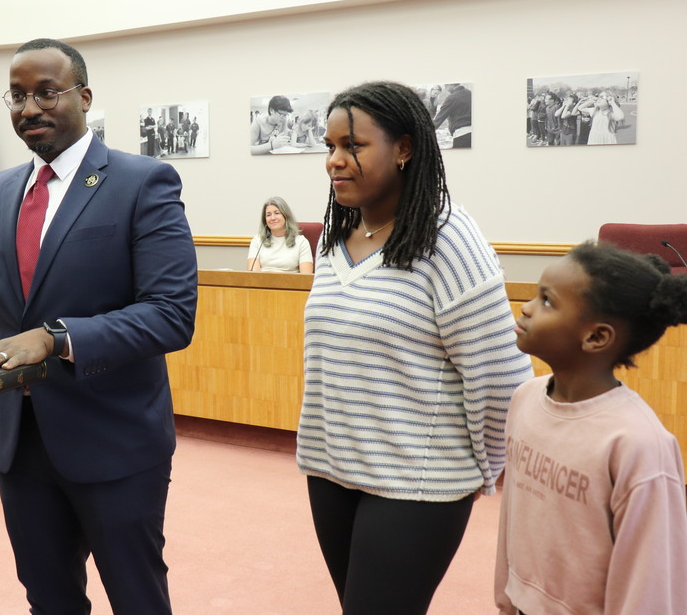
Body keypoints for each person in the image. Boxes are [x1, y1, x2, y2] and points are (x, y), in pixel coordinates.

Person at [0, 37, 198, 614]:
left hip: (114, 440)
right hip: (21, 444)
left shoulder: (142, 182)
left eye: (46, 92)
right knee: (48, 599)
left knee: (137, 597)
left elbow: (170, 314)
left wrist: (57, 338)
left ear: (84, 96)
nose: (28, 108)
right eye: (16, 97)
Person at [297, 81, 533, 614]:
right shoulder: (335, 235)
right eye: (330, 147)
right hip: (332, 472)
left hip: (416, 482)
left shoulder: (447, 235)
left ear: (404, 149)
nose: (335, 160)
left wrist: (481, 467)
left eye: (353, 146)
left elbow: (499, 372)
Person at [496, 241, 687, 614]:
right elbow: (513, 523)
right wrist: (506, 600)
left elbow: (650, 579)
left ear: (597, 336)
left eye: (547, 301)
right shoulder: (525, 399)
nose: (526, 307)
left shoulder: (637, 443)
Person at [246, 196, 314, 273]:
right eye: (268, 215)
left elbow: (306, 278)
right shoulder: (258, 240)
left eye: (277, 213)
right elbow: (252, 277)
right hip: (262, 283)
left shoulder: (301, 242)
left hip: (290, 284)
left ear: (286, 216)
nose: (272, 218)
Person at [432, 82, 472, 148]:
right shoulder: (470, 94)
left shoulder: (451, 98)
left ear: (451, 84)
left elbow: (438, 119)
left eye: (446, 85)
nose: (445, 88)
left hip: (461, 135)